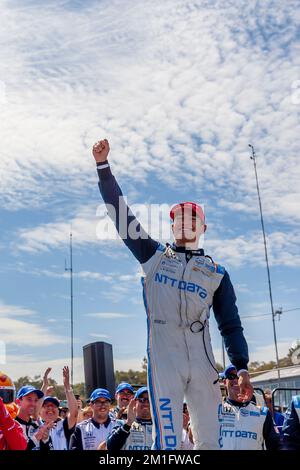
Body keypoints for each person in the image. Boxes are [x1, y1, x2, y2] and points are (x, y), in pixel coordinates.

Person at [92, 138, 253, 450]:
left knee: (209, 443)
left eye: (191, 219)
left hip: (203, 360)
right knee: (167, 443)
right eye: (178, 219)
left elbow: (230, 325)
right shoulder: (154, 257)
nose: (184, 224)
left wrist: (241, 365)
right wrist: (103, 168)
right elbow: (122, 217)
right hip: (165, 359)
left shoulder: (216, 272)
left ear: (202, 227)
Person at [218, 365, 280, 450]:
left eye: (240, 377)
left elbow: (275, 445)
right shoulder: (215, 411)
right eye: (231, 376)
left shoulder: (262, 413)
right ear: (225, 382)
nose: (237, 380)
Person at [40, 366, 78, 450]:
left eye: (53, 405)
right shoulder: (36, 425)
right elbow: (36, 404)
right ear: (40, 410)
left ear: (58, 410)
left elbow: (74, 413)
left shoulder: (63, 425)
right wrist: (45, 385)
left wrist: (67, 387)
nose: (50, 408)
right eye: (46, 405)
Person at [15, 385, 51, 450]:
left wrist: (45, 440)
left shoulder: (38, 425)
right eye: (29, 399)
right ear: (18, 402)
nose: (33, 404)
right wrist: (36, 438)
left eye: (36, 400)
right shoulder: (12, 425)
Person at [0, 371, 27, 450]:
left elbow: (20, 447)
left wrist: (4, 415)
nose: (2, 400)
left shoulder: (16, 425)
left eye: (6, 396)